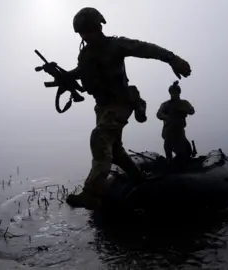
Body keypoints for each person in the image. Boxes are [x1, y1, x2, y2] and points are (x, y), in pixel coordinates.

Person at [50, 7, 191, 209]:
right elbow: (84, 71)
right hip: (102, 107)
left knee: (100, 137)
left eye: (90, 30)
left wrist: (172, 59)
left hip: (122, 102)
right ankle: (138, 178)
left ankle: (92, 193)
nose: (87, 36)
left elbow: (145, 49)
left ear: (99, 26)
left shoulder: (116, 45)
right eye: (83, 33)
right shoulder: (86, 54)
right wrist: (66, 77)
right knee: (115, 150)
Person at [156, 81, 195, 165]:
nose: (174, 94)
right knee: (168, 149)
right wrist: (166, 117)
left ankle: (181, 163)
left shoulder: (184, 103)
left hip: (179, 131)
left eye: (176, 92)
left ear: (179, 93)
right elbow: (159, 114)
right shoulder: (165, 104)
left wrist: (186, 110)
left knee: (183, 150)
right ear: (170, 93)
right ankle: (169, 163)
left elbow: (192, 111)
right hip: (168, 131)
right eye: (172, 92)